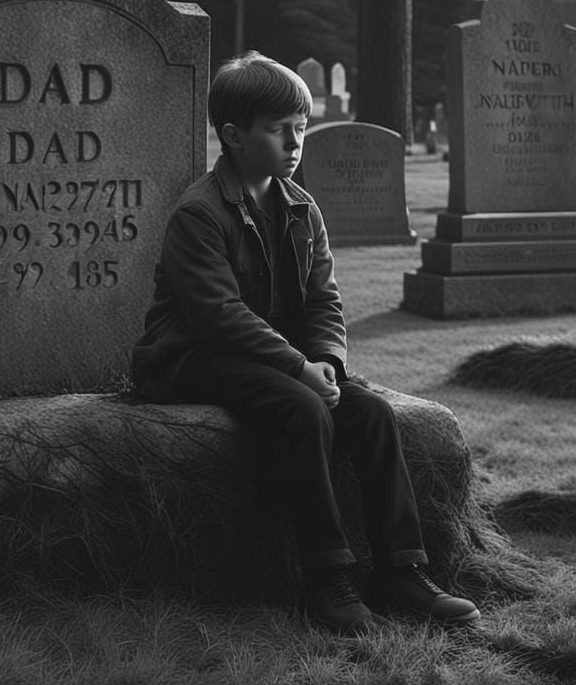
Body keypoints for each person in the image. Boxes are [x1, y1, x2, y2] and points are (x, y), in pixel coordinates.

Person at [132, 51, 480, 636]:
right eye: (279, 129)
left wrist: (327, 362)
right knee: (302, 409)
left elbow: (324, 300)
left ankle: (402, 570)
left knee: (371, 412)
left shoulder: (301, 206)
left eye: (301, 126)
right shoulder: (200, 213)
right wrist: (298, 369)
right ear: (234, 136)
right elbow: (218, 316)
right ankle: (327, 578)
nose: (296, 142)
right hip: (190, 356)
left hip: (277, 358)